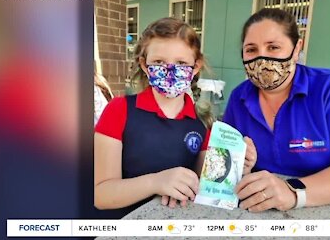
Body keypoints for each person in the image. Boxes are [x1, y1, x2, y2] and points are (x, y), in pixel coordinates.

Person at [94, 17, 257, 215]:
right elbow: (100, 195)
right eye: (159, 62)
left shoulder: (203, 123)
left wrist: (239, 165)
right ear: (145, 66)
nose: (170, 71)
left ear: (195, 67)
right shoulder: (119, 110)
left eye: (181, 63)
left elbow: (207, 188)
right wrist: (156, 182)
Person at [224, 8, 330, 212]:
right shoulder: (238, 98)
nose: (261, 58)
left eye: (273, 47)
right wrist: (240, 167)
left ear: (296, 49)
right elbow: (224, 169)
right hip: (257, 211)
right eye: (251, 49)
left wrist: (293, 192)